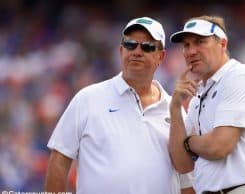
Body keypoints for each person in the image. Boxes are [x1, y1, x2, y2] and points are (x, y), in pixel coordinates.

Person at [44, 16, 195, 194]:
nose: (137, 51)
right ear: (121, 50)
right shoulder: (87, 99)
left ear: (160, 56)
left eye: (147, 46)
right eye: (131, 44)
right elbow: (59, 160)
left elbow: (186, 182)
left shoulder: (175, 111)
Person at [168, 15, 245, 194]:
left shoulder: (241, 76)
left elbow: (218, 146)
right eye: (187, 45)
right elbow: (182, 164)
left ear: (222, 44)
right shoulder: (197, 98)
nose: (191, 51)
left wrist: (189, 143)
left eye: (200, 42)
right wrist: (174, 107)